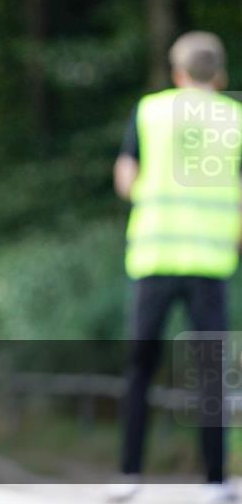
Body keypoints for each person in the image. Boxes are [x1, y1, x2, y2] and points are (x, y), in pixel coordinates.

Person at [110, 31, 240, 503]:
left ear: (179, 73)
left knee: (140, 367)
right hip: (211, 261)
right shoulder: (235, 117)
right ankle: (215, 482)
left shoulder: (150, 110)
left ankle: (128, 474)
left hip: (155, 257)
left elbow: (126, 178)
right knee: (211, 371)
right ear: (219, 74)